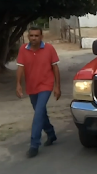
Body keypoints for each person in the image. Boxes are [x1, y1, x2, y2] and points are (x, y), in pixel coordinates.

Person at [15, 26, 61, 158]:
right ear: (28, 37)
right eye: (31, 36)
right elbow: (20, 68)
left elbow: (55, 68)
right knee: (40, 112)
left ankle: (34, 145)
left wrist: (57, 87)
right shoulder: (23, 49)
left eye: (36, 36)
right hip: (31, 86)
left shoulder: (49, 49)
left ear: (41, 37)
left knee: (38, 113)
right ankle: (51, 134)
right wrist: (18, 84)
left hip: (46, 85)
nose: (34, 38)